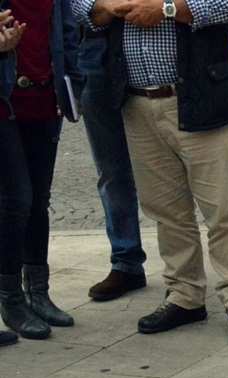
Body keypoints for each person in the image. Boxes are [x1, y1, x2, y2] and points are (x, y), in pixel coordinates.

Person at [72, 0, 228, 343]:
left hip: (198, 94)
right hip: (137, 101)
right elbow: (80, 7)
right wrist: (105, 7)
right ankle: (185, 294)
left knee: (222, 208)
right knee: (166, 209)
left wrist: (167, 9)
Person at [0, 0, 81, 341]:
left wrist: (74, 84)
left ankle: (38, 292)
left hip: (45, 99)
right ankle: (11, 298)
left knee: (38, 202)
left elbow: (67, 31)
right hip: (5, 102)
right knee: (17, 200)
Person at [77, 24, 147, 302]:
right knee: (112, 169)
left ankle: (185, 271)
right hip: (94, 49)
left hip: (146, 41)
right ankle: (126, 262)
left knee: (174, 162)